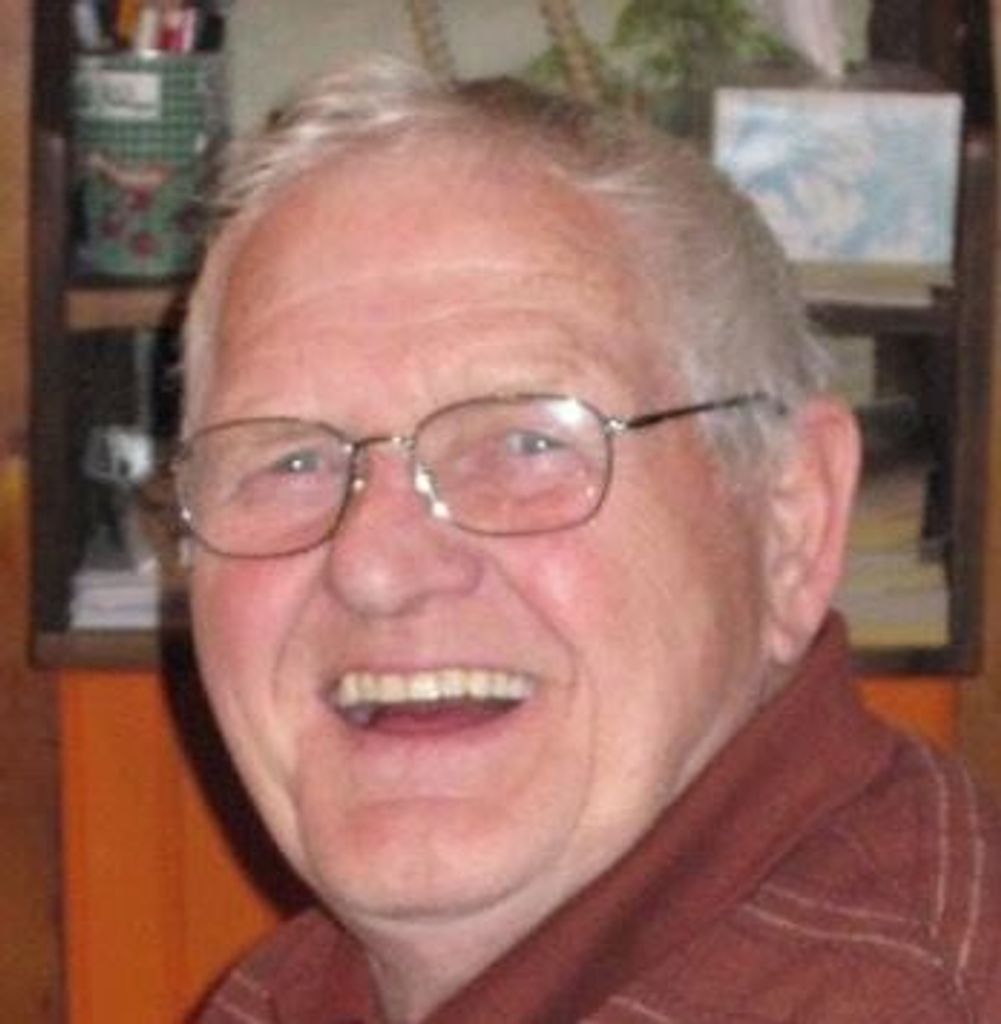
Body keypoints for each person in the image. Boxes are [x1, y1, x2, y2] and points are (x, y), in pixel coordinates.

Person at [176, 55, 1001, 1023]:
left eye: (527, 443)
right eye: (289, 462)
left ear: (792, 521)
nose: (376, 566)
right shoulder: (288, 992)